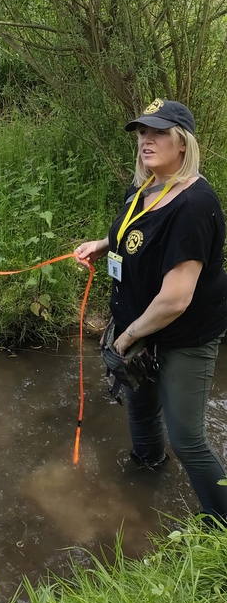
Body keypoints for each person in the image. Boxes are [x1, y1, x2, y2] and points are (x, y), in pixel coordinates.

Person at [75, 98, 227, 524]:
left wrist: (124, 338)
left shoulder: (195, 205)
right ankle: (147, 468)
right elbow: (135, 236)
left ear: (183, 143)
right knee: (140, 407)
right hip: (138, 323)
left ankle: (221, 522)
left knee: (187, 436)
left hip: (185, 333)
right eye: (142, 132)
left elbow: (176, 299)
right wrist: (102, 244)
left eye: (158, 132)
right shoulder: (144, 188)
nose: (146, 140)